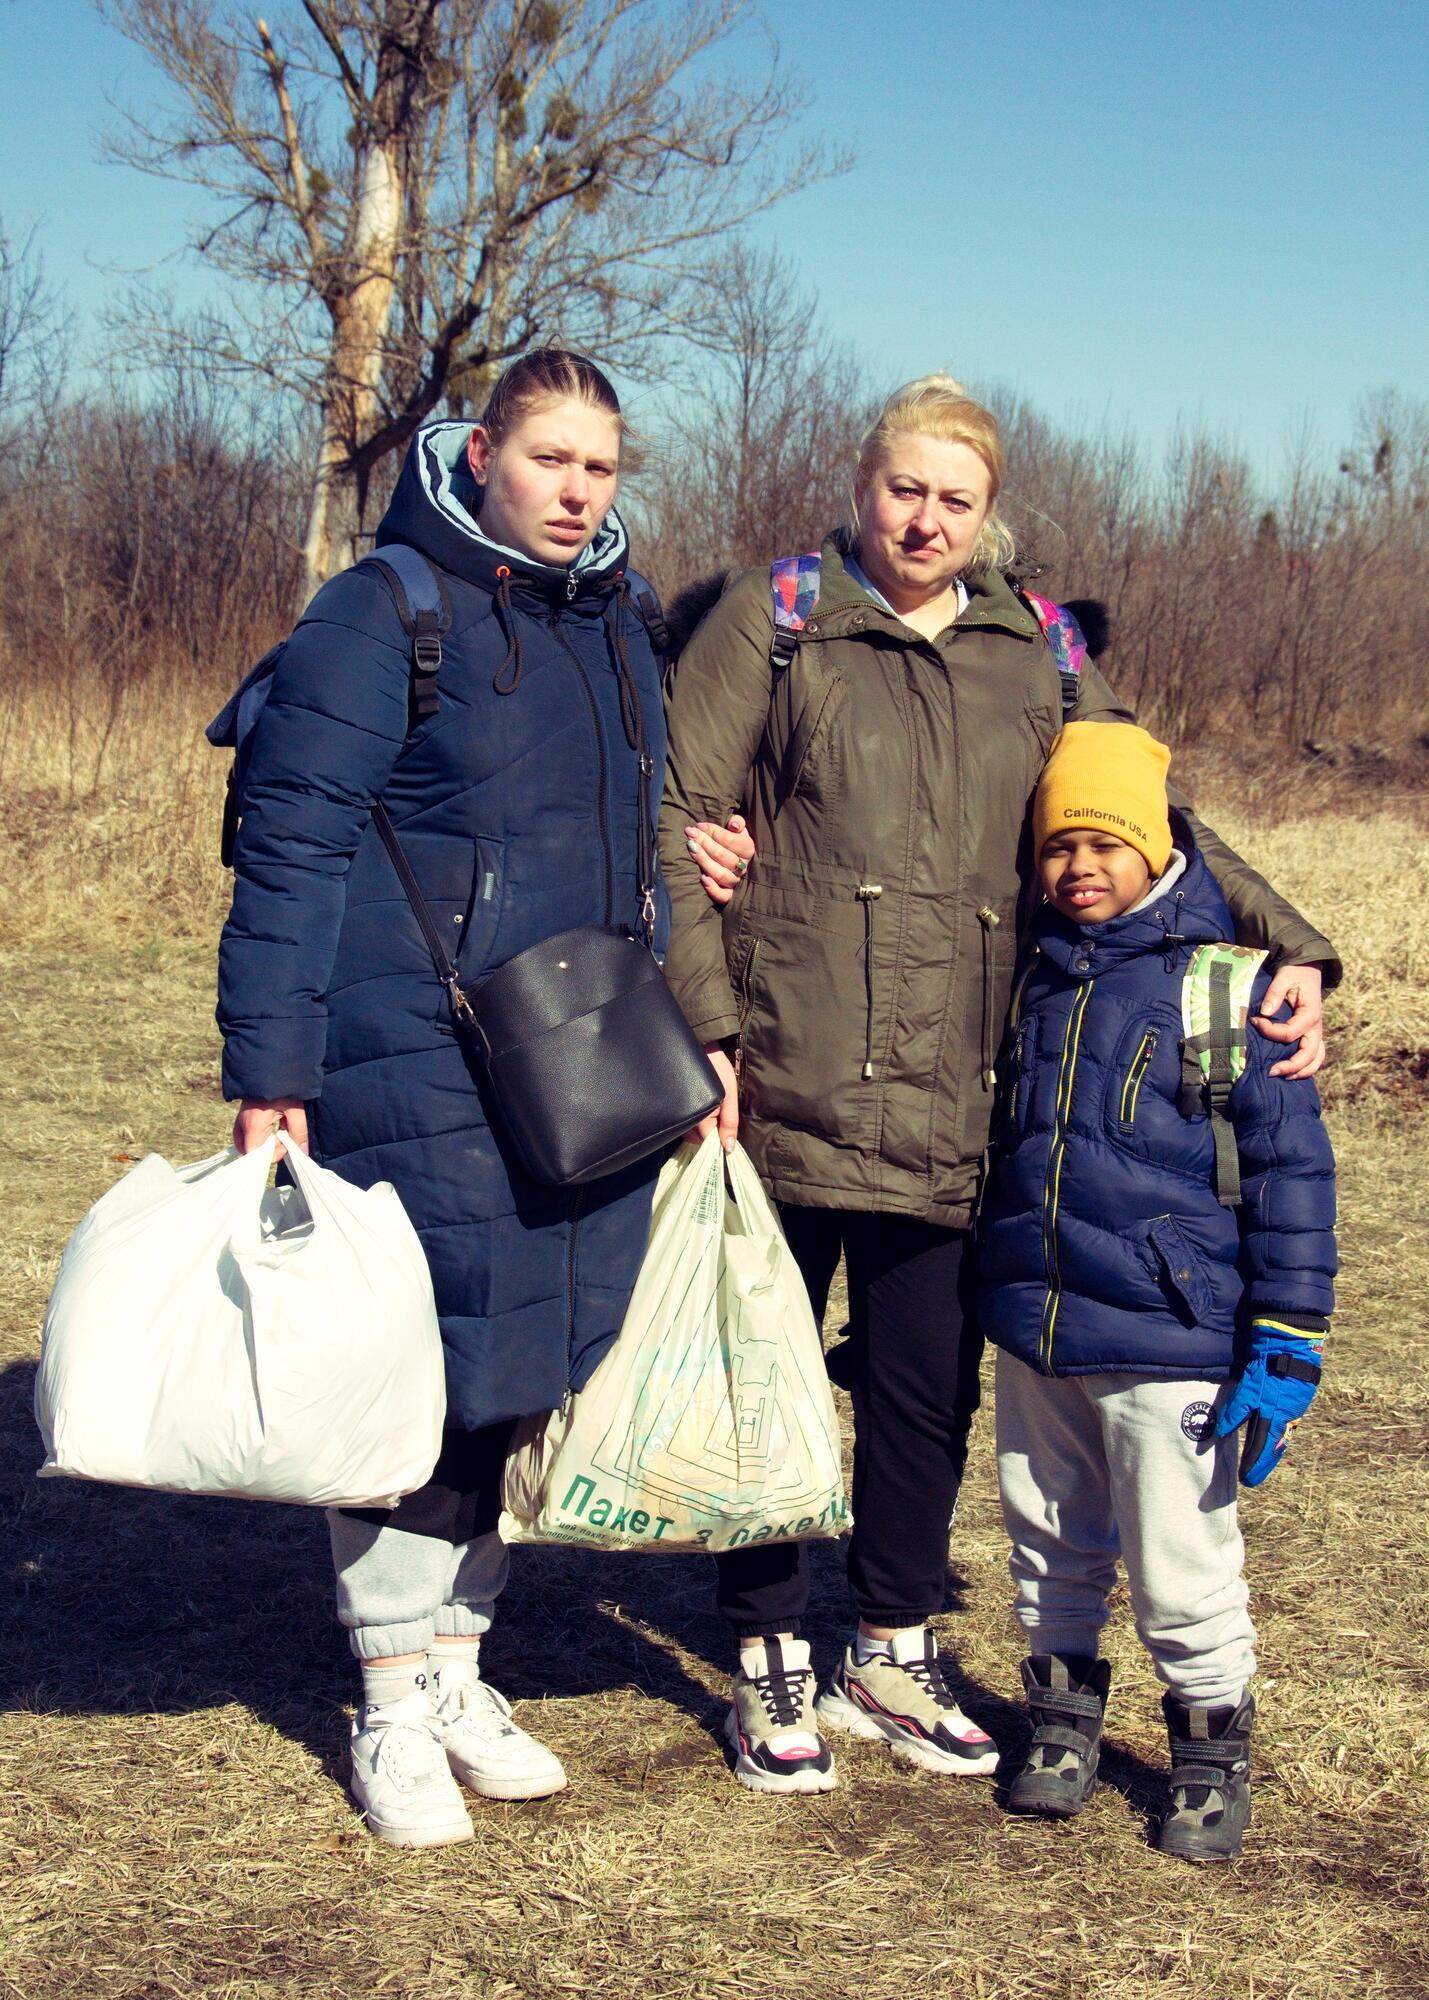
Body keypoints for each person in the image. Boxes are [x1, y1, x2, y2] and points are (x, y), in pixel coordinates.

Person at [659, 372, 1339, 1796]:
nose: (924, 518)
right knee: (764, 1383)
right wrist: (706, 1035)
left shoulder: (1036, 643)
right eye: (903, 489)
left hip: (963, 1091)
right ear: (862, 484)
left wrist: (1295, 949)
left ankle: (890, 1642)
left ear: (988, 513)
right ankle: (770, 1647)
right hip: (781, 1075)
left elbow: (1146, 812)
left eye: (953, 499)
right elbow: (674, 817)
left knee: (922, 1390)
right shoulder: (777, 618)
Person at [218, 350, 674, 1847]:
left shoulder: (615, 623)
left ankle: (462, 1663)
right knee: (418, 1381)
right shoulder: (381, 611)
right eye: (550, 459)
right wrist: (272, 1075)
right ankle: (390, 1695)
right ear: (481, 454)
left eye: (600, 467)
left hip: (577, 1055)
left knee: (526, 1367)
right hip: (415, 1051)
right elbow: (288, 847)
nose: (576, 490)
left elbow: (631, 840)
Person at [977, 722, 1335, 1861]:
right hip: (1039, 1326)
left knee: (1181, 1557)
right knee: (1047, 1538)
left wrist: (1286, 1330)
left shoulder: (1229, 985)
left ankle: (1208, 1742)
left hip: (1168, 1331)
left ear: (1158, 845)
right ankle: (1060, 1716)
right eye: (1058, 845)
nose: (1079, 865)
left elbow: (1289, 1171)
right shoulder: (1033, 978)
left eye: (1106, 842)